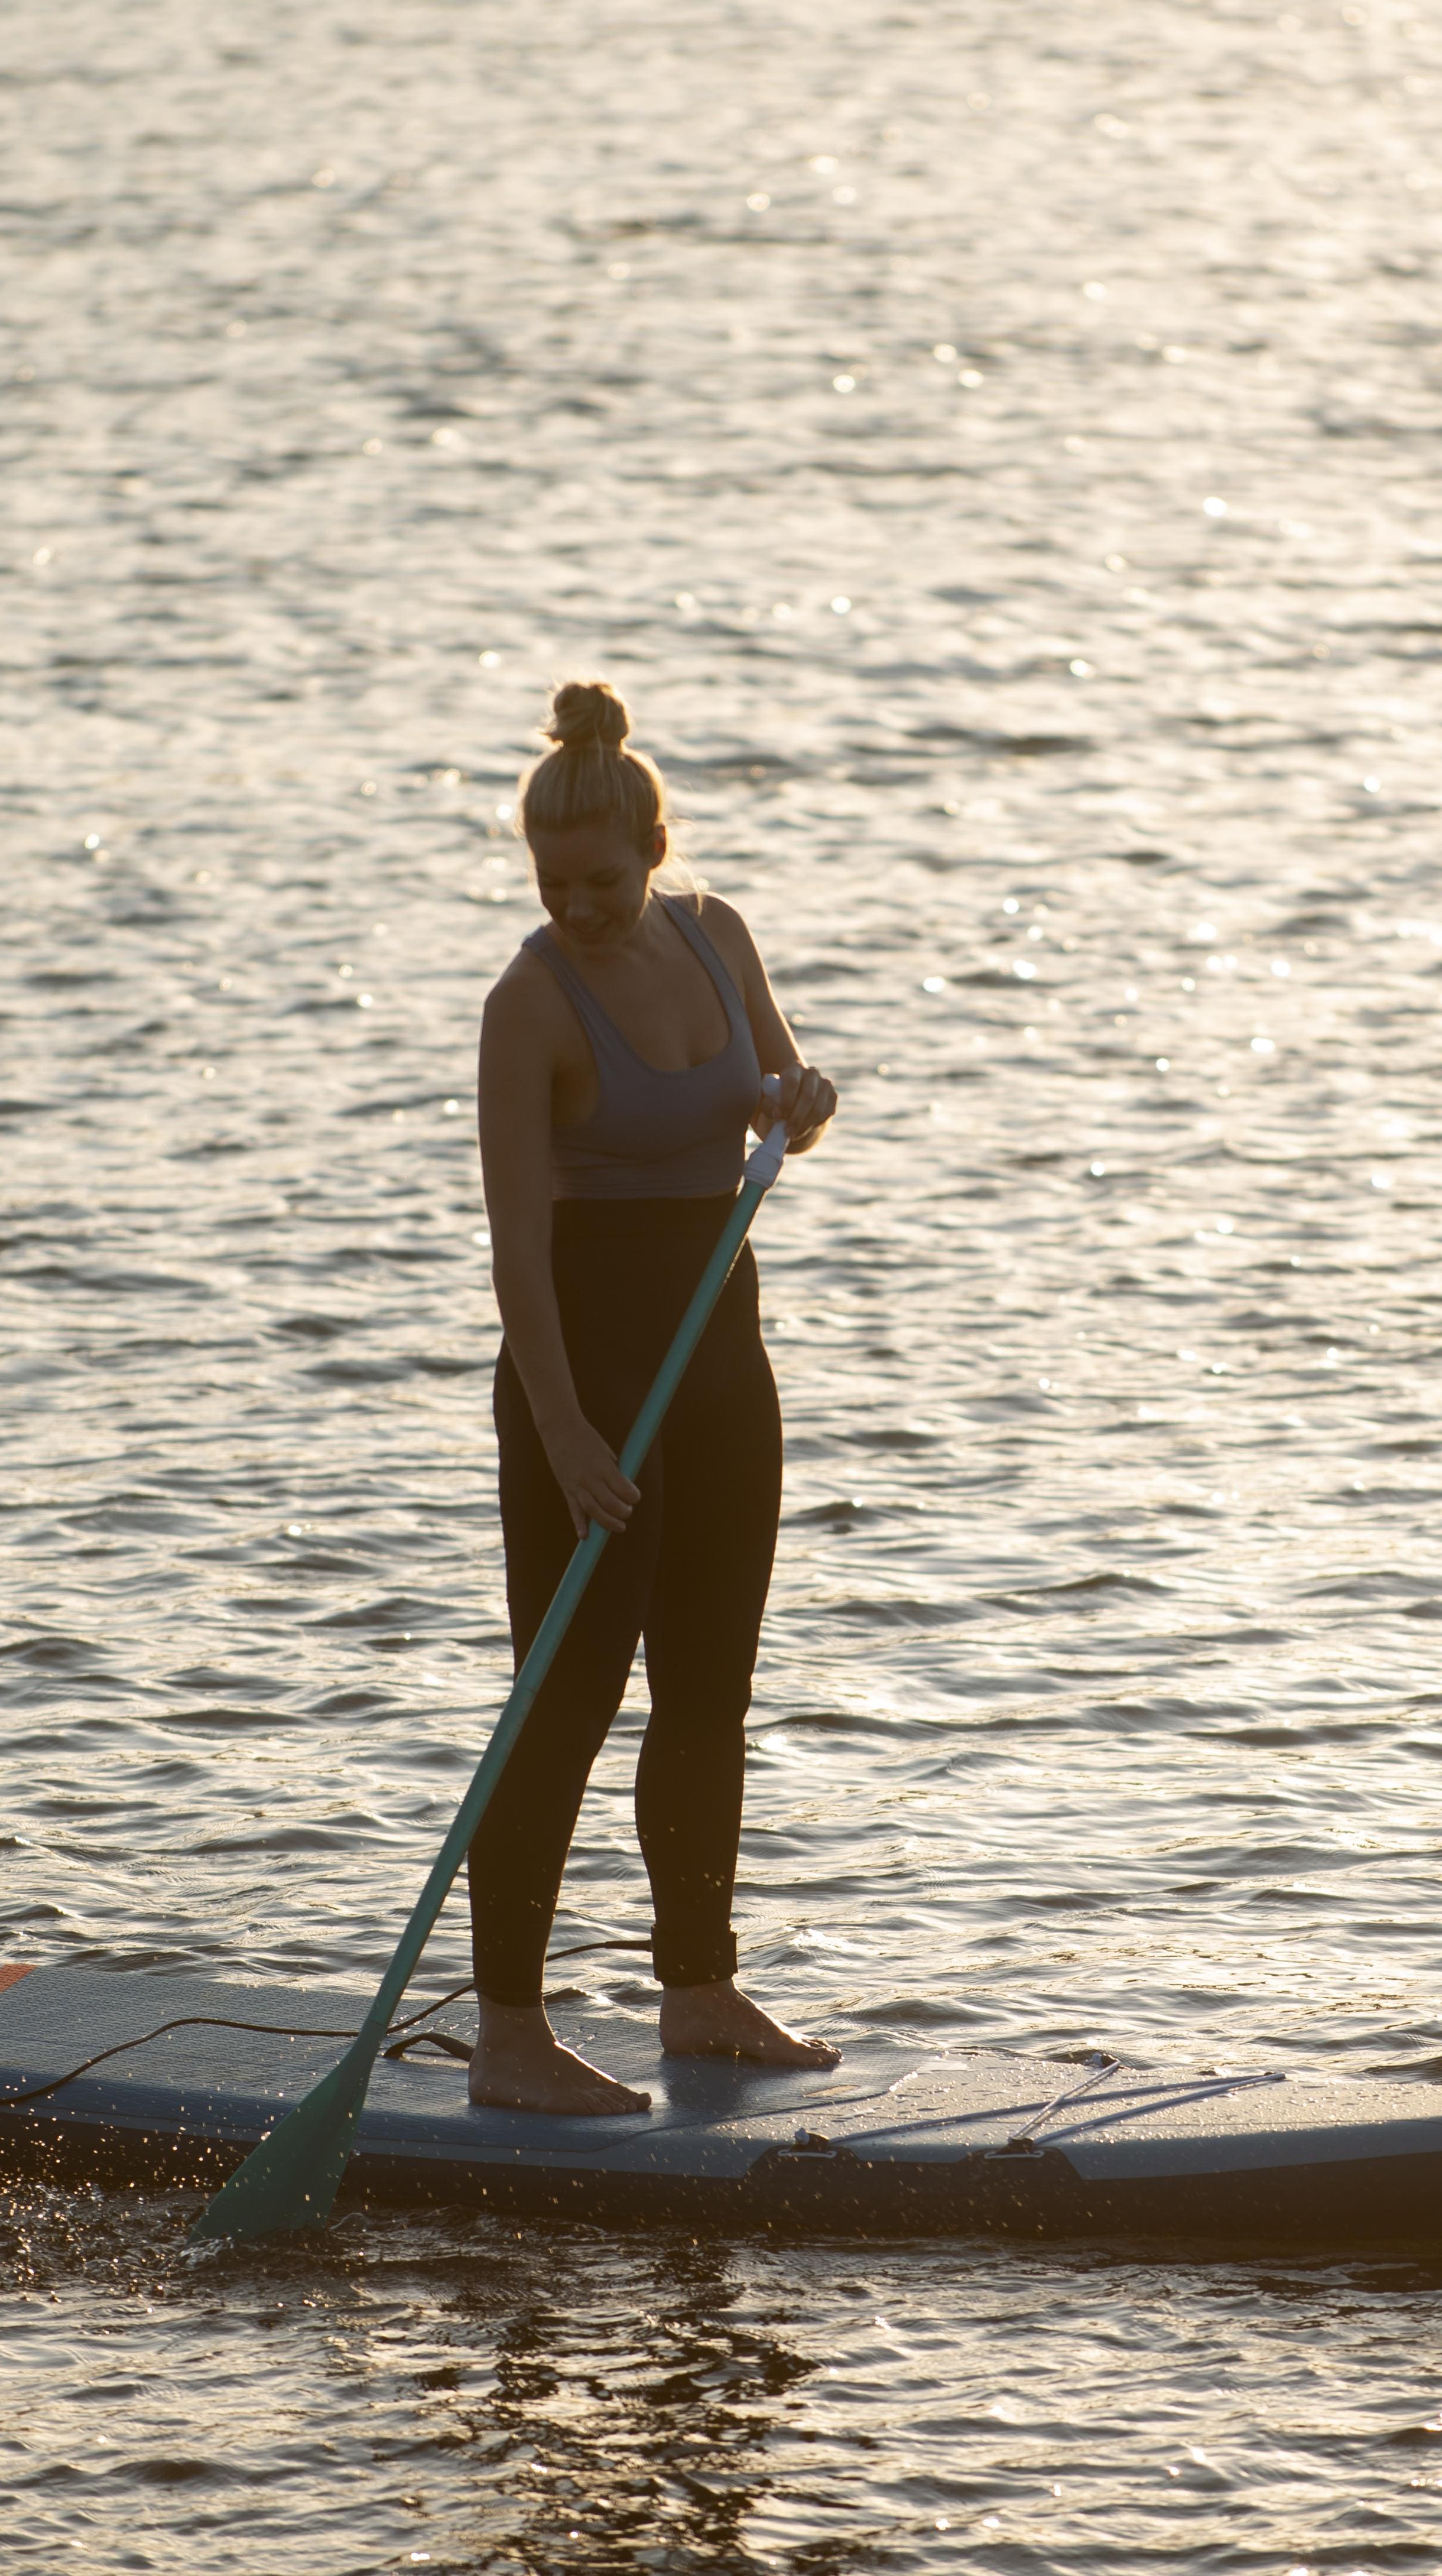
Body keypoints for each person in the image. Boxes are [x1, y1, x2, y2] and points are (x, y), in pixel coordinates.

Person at [466, 678, 843, 2115]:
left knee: (707, 1689)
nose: (579, 906)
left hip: (718, 1357)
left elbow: (778, 1090)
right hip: (586, 1377)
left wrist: (803, 1099)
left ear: (654, 852)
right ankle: (509, 2031)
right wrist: (564, 1432)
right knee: (563, 1697)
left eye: (602, 880)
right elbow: (516, 1254)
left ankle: (698, 1991)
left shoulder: (713, 933)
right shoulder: (526, 1007)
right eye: (553, 883)